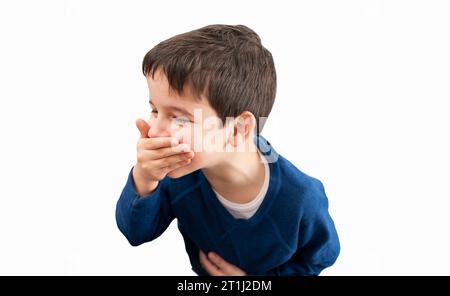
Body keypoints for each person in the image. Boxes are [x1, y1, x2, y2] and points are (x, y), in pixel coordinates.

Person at [116, 24, 340, 275]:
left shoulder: (301, 198)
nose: (154, 131)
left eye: (180, 119)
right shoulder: (177, 174)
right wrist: (144, 180)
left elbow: (318, 259)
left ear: (237, 130)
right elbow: (136, 233)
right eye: (155, 110)